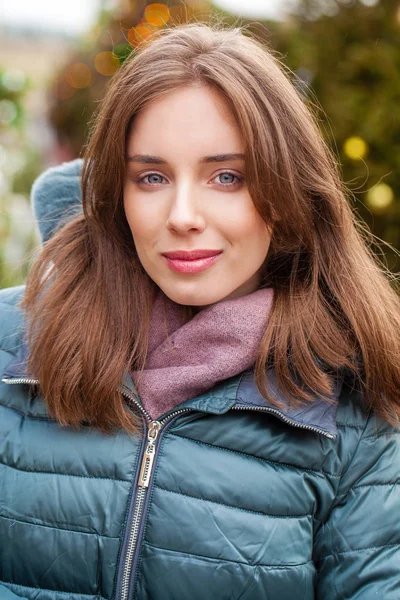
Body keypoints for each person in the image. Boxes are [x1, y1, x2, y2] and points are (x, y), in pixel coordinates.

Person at [0, 21, 399, 600]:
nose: (182, 214)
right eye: (153, 176)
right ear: (118, 192)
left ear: (286, 194)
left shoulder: (356, 411)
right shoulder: (13, 343)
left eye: (227, 177)